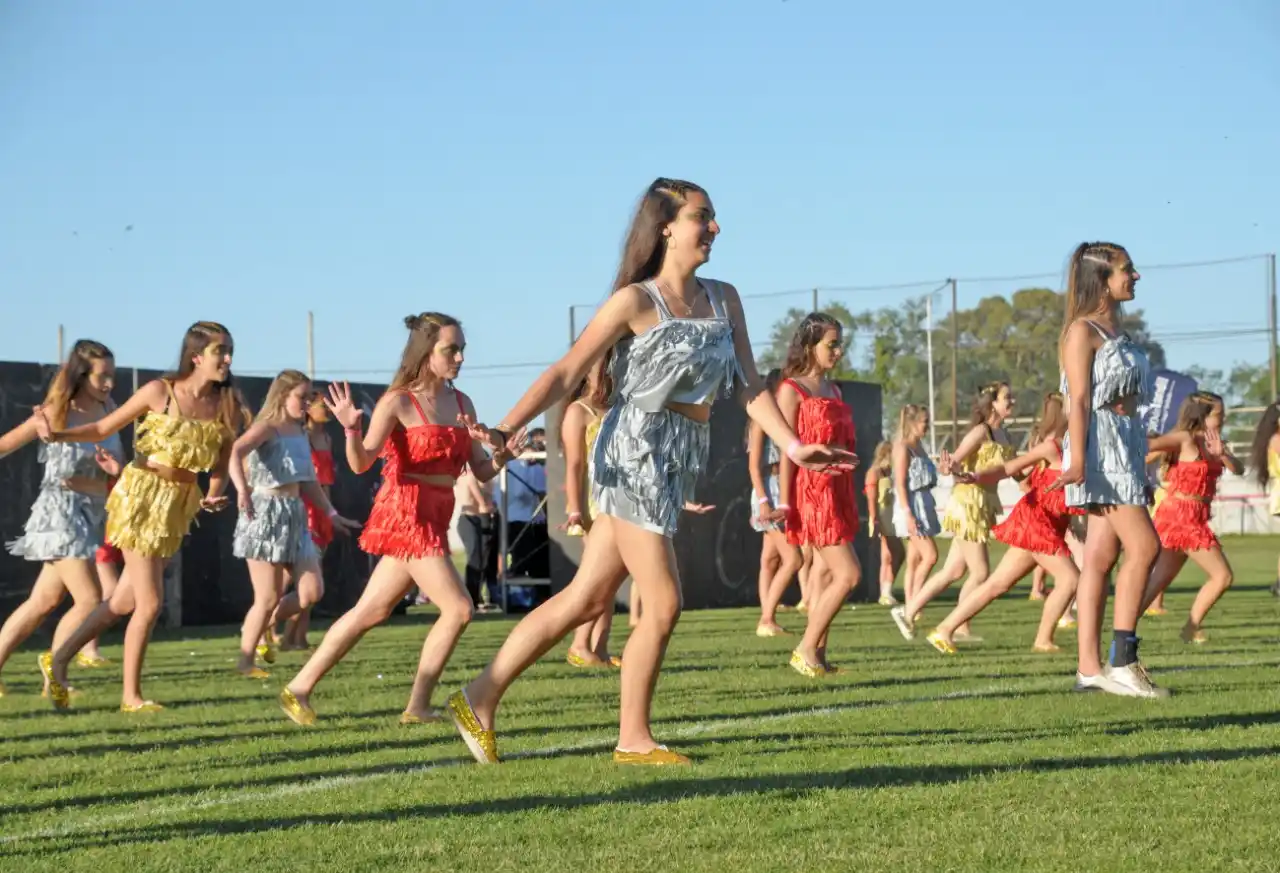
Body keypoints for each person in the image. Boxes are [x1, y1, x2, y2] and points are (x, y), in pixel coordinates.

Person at [445, 177, 854, 766]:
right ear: (666, 226)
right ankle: (633, 739)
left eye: (713, 218)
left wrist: (791, 447)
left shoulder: (725, 297)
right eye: (702, 217)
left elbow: (747, 386)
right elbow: (566, 372)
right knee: (662, 604)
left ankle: (478, 696)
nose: (714, 228)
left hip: (676, 454)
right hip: (632, 449)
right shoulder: (637, 300)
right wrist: (508, 428)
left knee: (585, 599)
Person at [277, 313, 522, 727]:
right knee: (460, 609)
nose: (460, 357)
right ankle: (418, 706)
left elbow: (480, 471)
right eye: (451, 349)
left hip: (436, 512)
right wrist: (351, 431)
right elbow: (360, 463)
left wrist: (502, 456)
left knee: (369, 612)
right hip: (405, 512)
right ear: (426, 353)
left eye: (462, 349)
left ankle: (298, 687)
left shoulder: (464, 403)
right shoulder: (399, 401)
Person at [37, 321, 243, 711]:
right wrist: (56, 435)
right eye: (221, 351)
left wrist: (214, 494)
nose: (228, 358)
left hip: (178, 504)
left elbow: (220, 461)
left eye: (230, 350)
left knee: (123, 602)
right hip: (141, 497)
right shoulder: (158, 392)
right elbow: (100, 427)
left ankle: (58, 657)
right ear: (196, 357)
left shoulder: (225, 404)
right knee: (149, 604)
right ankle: (131, 697)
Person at [1051, 242, 1164, 698]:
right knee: (1146, 546)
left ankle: (1087, 669)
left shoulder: (1118, 329)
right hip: (1099, 446)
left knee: (1099, 558)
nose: (1135, 276)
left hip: (1125, 442)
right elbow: (1077, 400)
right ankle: (1123, 659)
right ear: (1102, 278)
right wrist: (1079, 459)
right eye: (1126, 269)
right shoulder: (1082, 330)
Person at [0, 340, 123, 696]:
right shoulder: (57, 410)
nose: (109, 384)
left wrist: (116, 469)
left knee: (43, 602)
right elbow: (8, 443)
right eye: (102, 376)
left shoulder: (108, 407)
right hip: (62, 511)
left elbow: (119, 456)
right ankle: (56, 674)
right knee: (89, 598)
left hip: (94, 512)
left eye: (112, 376)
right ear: (81, 375)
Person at [228, 369, 359, 678]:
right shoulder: (267, 427)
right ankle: (246, 662)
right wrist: (242, 490)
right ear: (283, 395)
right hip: (263, 513)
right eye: (302, 397)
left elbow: (308, 481)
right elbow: (235, 451)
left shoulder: (299, 432)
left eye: (308, 396)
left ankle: (259, 626)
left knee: (312, 591)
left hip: (295, 513)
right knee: (268, 596)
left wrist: (331, 514)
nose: (306, 403)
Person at [778, 313, 862, 676]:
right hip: (812, 494)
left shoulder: (835, 390)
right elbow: (787, 451)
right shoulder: (790, 390)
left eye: (840, 344)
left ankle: (820, 656)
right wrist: (784, 502)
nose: (838, 351)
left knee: (829, 576)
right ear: (809, 346)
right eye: (832, 344)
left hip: (839, 489)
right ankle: (805, 648)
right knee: (850, 575)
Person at [1139, 392, 1242, 643]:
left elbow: (1239, 469)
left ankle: (1123, 629)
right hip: (1181, 517)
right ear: (1202, 416)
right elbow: (1147, 446)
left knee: (1158, 581)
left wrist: (1222, 454)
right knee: (1222, 576)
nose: (1224, 419)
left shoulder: (1214, 442)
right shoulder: (1185, 438)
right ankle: (1191, 627)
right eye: (1219, 415)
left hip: (1194, 516)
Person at [504, 428, 550, 582]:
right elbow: (532, 493)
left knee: (527, 561)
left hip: (524, 520)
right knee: (525, 562)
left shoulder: (530, 468)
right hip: (526, 521)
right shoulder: (525, 468)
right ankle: (522, 598)